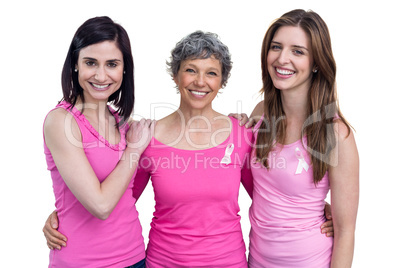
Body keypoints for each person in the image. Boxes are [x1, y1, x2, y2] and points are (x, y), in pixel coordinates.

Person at [43, 30, 334, 267]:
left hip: (228, 262)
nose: (200, 81)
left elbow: (267, 190)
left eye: (211, 73)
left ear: (222, 82)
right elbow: (120, 197)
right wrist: (64, 214)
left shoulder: (241, 134)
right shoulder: (145, 137)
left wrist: (312, 207)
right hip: (161, 262)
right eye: (190, 70)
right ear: (175, 76)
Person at [245, 9, 359, 267]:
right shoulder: (260, 113)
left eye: (297, 51)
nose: (282, 59)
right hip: (257, 261)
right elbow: (260, 186)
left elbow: (346, 232)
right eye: (276, 47)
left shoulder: (335, 134)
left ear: (317, 62)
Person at [42, 16, 154, 267]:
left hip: (135, 257)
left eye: (112, 64)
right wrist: (134, 149)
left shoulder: (122, 123)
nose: (101, 76)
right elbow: (101, 206)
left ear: (124, 69)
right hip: (81, 261)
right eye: (91, 63)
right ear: (75, 65)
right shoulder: (61, 122)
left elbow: (125, 194)